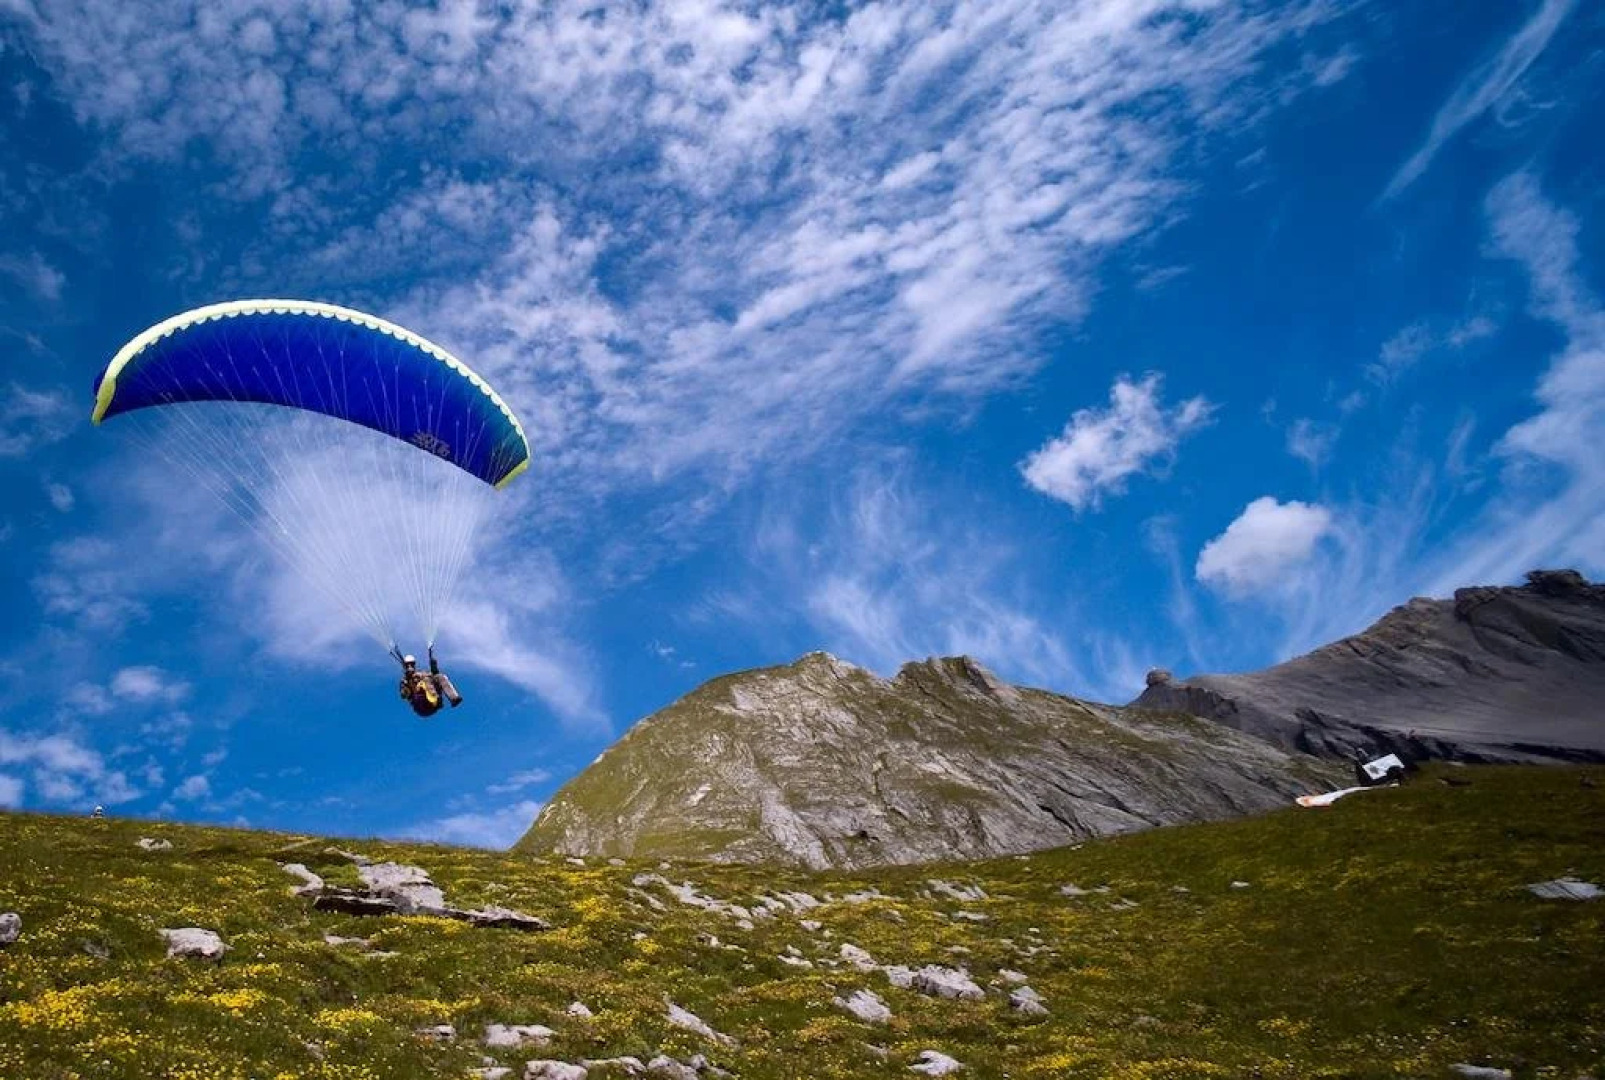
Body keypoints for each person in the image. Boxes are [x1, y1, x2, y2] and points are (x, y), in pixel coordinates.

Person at [395, 646, 463, 717]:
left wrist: (433, 664)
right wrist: (407, 681)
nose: (410, 666)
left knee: (439, 676)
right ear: (405, 667)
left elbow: (435, 675)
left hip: (433, 703)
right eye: (408, 665)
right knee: (424, 681)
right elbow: (404, 695)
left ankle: (454, 698)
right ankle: (431, 697)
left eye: (412, 664)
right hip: (421, 705)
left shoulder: (423, 674)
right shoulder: (405, 680)